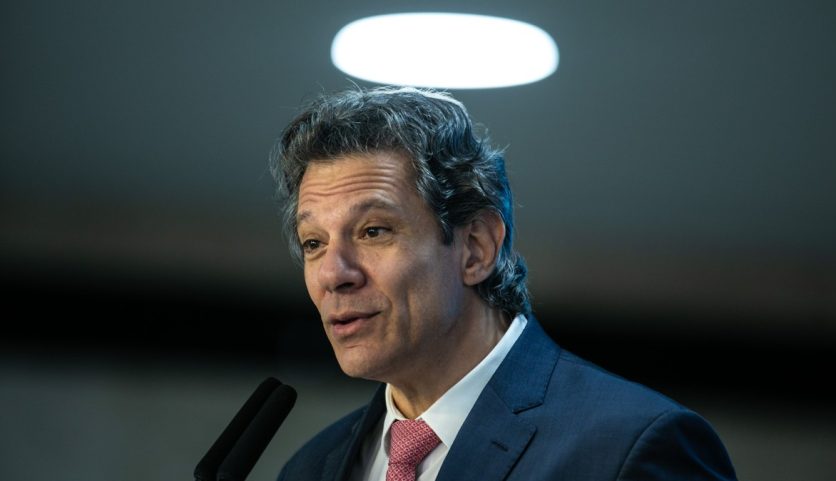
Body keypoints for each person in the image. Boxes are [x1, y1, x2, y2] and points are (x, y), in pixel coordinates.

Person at [269, 86, 738, 481]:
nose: (333, 273)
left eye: (374, 231)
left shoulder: (631, 447)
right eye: (313, 243)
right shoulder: (310, 468)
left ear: (476, 248)